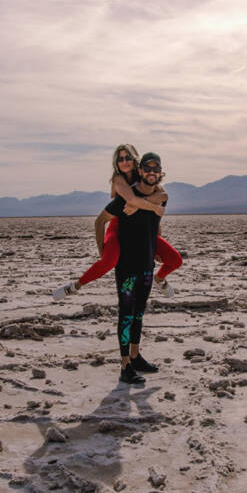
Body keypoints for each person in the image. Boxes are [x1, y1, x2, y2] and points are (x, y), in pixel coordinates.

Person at [52, 144, 181, 300]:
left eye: (128, 158)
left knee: (175, 260)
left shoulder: (146, 179)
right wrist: (101, 251)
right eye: (120, 159)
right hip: (118, 227)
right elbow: (108, 215)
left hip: (142, 230)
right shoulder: (118, 180)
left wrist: (154, 244)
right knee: (108, 262)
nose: (125, 162)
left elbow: (159, 203)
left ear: (136, 162)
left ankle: (159, 279)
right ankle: (74, 287)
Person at [93, 152, 167, 383]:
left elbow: (156, 223)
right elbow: (100, 220)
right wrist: (103, 253)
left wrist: (156, 248)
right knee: (126, 315)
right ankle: (125, 366)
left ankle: (136, 357)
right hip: (126, 266)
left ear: (160, 172)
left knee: (138, 314)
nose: (152, 173)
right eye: (148, 168)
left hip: (146, 264)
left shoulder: (161, 197)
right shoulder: (125, 198)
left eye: (156, 169)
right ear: (141, 171)